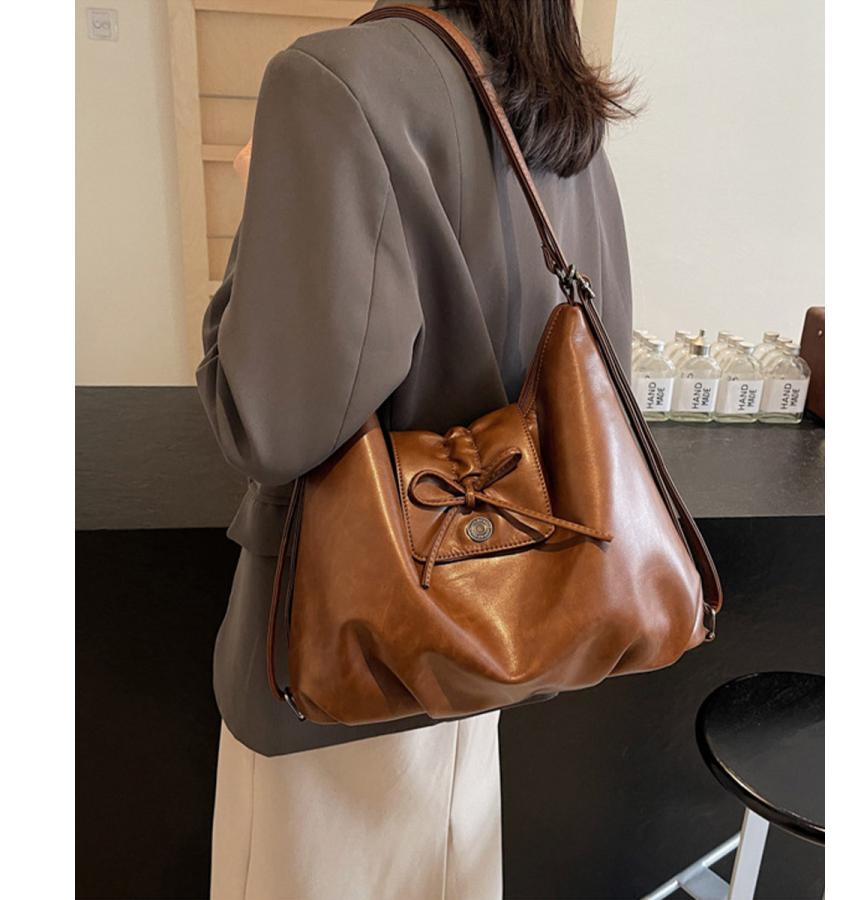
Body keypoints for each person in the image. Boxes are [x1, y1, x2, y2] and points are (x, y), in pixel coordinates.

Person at [197, 1, 633, 897]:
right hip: (496, 645)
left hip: (345, 657)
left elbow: (266, 424)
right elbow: (602, 373)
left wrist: (262, 205)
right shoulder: (563, 113)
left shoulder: (334, 81)